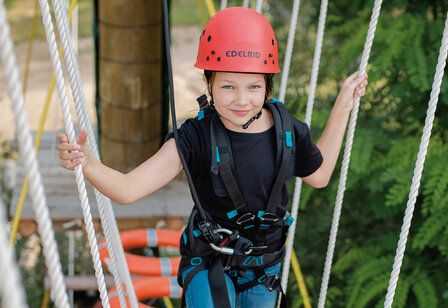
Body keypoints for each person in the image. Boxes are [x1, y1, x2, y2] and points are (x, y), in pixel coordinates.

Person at [57, 7, 367, 308]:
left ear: (268, 87)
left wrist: (342, 107)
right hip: (210, 262)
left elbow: (320, 175)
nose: (242, 100)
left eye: (254, 86)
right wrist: (88, 164)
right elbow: (129, 189)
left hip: (264, 269)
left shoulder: (288, 132)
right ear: (209, 85)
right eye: (228, 86)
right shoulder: (195, 137)